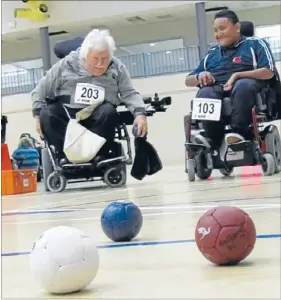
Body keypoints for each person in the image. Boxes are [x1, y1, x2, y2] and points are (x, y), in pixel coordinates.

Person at [31, 29, 147, 164]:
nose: (100, 64)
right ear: (85, 55)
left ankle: (98, 154)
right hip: (68, 115)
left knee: (108, 112)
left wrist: (140, 114)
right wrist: (37, 115)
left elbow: (129, 93)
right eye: (95, 59)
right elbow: (40, 90)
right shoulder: (66, 65)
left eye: (104, 59)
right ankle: (67, 154)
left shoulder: (117, 67)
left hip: (98, 115)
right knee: (47, 114)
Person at [185, 9, 276, 148]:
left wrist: (238, 75)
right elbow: (188, 80)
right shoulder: (212, 54)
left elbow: (269, 72)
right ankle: (212, 139)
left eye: (222, 28)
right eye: (215, 30)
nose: (218, 34)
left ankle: (238, 133)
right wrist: (199, 76)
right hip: (218, 88)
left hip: (247, 86)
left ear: (237, 27)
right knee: (205, 92)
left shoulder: (255, 44)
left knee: (242, 85)